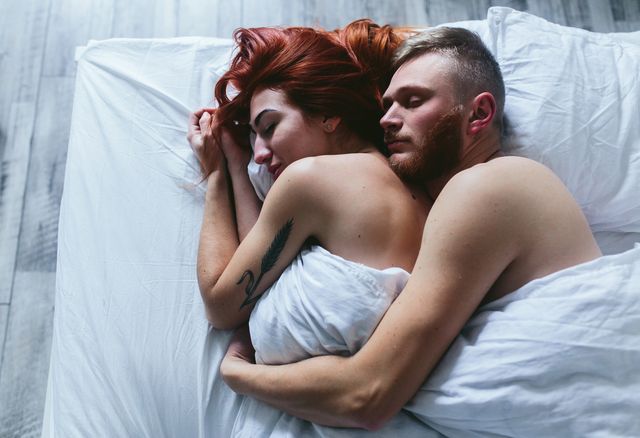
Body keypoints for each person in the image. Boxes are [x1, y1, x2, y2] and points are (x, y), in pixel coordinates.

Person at [219, 26, 603, 431]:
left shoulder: (489, 187)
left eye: (413, 101)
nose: (387, 119)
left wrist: (238, 374)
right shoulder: (448, 205)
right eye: (387, 105)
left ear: (479, 114)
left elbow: (366, 395)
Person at [189, 20, 435, 435]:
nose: (259, 155)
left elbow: (222, 303)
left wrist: (215, 176)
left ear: (328, 113)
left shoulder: (309, 181)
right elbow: (264, 267)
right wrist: (235, 162)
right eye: (253, 139)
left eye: (270, 127)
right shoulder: (417, 188)